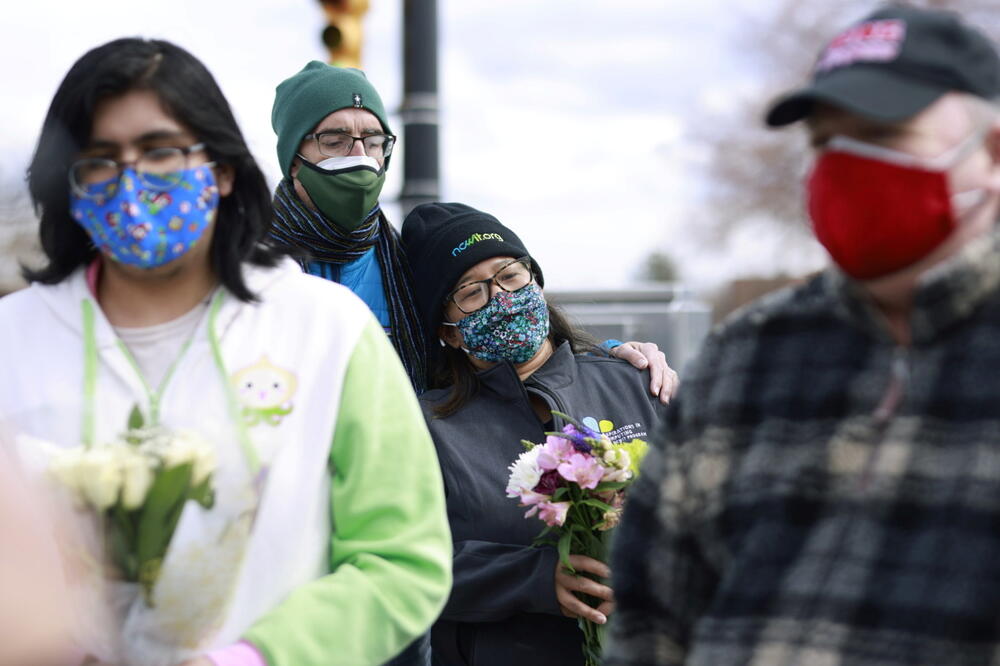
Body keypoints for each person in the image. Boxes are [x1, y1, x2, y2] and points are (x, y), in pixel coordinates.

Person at [0, 37, 451, 666]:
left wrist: (251, 658)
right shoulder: (13, 339)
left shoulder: (329, 329)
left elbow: (401, 558)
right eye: (100, 160)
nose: (133, 181)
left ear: (222, 170)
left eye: (161, 151)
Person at [604, 5, 1000, 666]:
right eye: (824, 142)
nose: (846, 165)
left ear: (991, 152)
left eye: (881, 132)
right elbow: (649, 624)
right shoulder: (746, 356)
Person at [267, 61, 679, 398]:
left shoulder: (404, 263)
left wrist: (612, 364)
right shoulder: (252, 266)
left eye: (373, 141)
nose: (358, 155)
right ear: (294, 159)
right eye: (335, 140)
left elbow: (489, 352)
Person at [400, 202, 663, 666]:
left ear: (536, 282)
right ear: (449, 332)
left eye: (510, 275)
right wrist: (535, 578)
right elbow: (405, 563)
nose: (501, 297)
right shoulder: (427, 426)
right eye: (471, 292)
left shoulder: (636, 383)